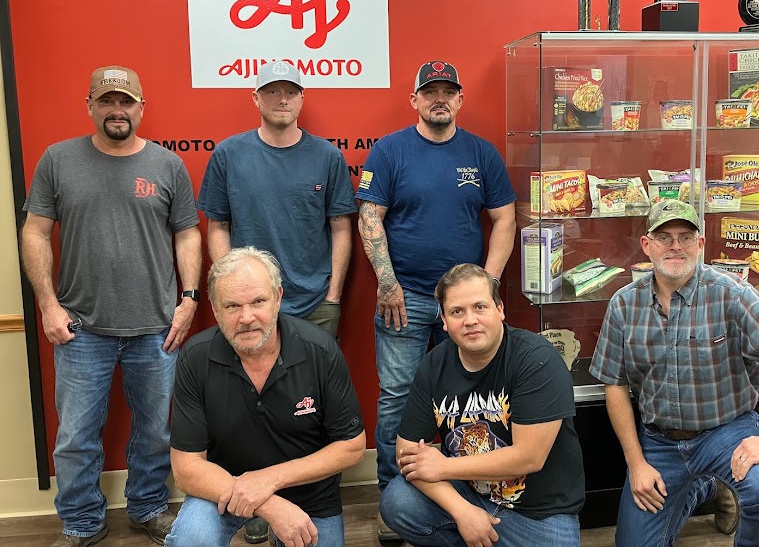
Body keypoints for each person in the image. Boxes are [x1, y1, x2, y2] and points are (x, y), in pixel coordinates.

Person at [20, 65, 202, 547]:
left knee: (156, 431)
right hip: (81, 328)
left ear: (141, 108)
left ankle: (147, 508)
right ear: (90, 107)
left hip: (157, 326)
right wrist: (47, 305)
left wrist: (188, 301)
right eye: (106, 101)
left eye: (126, 102)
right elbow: (35, 231)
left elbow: (188, 233)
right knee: (76, 437)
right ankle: (81, 521)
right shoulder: (58, 160)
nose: (116, 110)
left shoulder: (168, 166)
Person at [589, 199, 759, 547]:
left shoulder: (731, 293)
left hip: (727, 431)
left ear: (701, 244)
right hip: (659, 441)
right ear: (647, 246)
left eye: (685, 236)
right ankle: (708, 485)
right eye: (664, 237)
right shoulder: (624, 304)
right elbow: (615, 384)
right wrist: (636, 463)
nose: (675, 246)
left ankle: (712, 478)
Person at [356, 60, 516, 540]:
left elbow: (504, 220)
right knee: (397, 399)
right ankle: (393, 497)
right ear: (416, 100)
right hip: (403, 299)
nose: (439, 99)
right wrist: (387, 281)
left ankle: (464, 488)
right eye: (430, 92)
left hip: (464, 304)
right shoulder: (390, 150)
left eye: (448, 91)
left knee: (470, 401)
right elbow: (370, 215)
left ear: (460, 100)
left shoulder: (481, 154)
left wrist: (486, 287)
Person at [166, 247, 366, 547]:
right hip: (227, 488)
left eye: (258, 301)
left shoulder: (320, 350)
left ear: (278, 297)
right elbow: (186, 469)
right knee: (191, 540)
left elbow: (351, 446)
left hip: (308, 494)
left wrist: (269, 480)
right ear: (215, 308)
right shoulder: (196, 357)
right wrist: (267, 504)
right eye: (232, 306)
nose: (247, 318)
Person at [379, 263, 585, 547]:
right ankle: (473, 532)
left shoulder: (536, 359)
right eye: (457, 311)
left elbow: (529, 458)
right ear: (445, 321)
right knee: (398, 501)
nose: (470, 320)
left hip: (538, 513)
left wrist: (444, 468)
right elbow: (406, 452)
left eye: (480, 307)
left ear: (500, 310)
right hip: (471, 496)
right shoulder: (435, 363)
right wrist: (461, 510)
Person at [198, 60, 355, 340]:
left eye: (291, 93)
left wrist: (333, 295)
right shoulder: (228, 154)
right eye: (272, 92)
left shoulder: (328, 156)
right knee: (250, 382)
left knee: (313, 384)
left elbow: (340, 227)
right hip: (249, 304)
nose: (282, 100)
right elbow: (218, 225)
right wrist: (229, 288)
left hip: (315, 304)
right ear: (256, 98)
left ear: (301, 99)